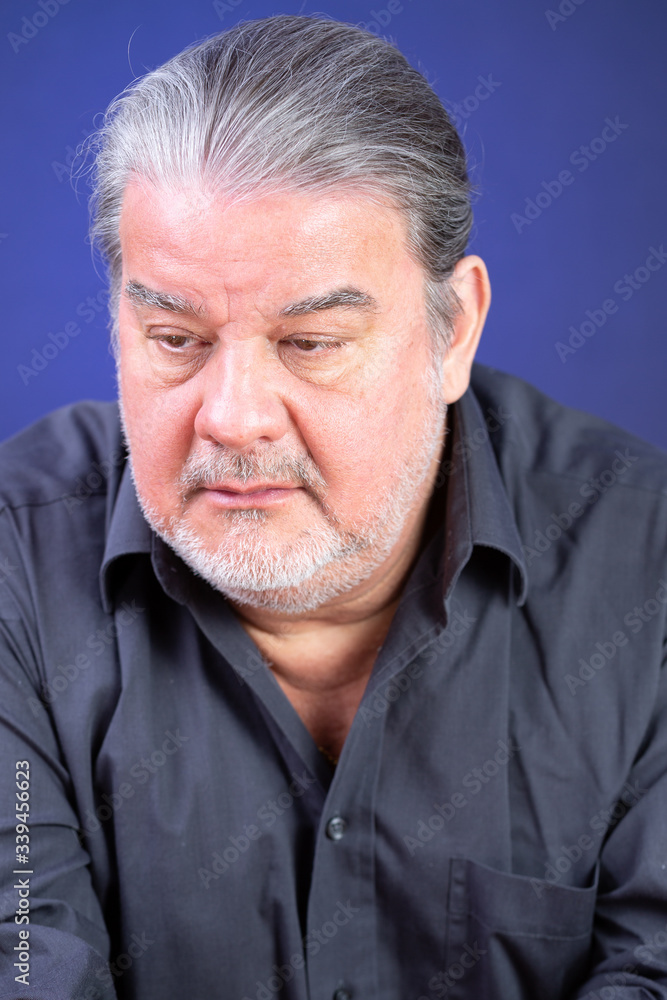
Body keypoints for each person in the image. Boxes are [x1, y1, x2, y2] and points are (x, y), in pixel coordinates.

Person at [1, 14, 666, 1000]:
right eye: (174, 338)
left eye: (309, 343)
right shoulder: (16, 557)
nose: (230, 418)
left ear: (454, 330)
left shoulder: (642, 558)